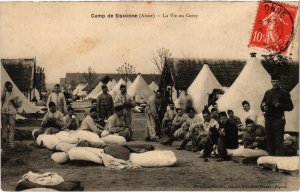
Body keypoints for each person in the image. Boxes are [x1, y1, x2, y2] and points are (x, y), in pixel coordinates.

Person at [261, 74, 293, 156]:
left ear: (280, 82)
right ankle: (270, 159)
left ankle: (279, 160)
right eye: (273, 81)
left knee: (278, 140)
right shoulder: (267, 92)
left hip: (278, 119)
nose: (275, 83)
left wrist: (279, 105)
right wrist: (263, 107)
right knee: (269, 139)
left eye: (276, 81)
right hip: (268, 118)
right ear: (271, 82)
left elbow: (290, 107)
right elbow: (262, 103)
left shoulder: (284, 93)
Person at [1, 81, 22, 148]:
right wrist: (4, 89)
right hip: (4, 112)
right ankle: (4, 142)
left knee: (11, 128)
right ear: (6, 87)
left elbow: (19, 104)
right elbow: (1, 98)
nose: (10, 88)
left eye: (11, 87)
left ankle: (11, 144)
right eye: (8, 87)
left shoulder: (15, 95)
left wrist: (14, 102)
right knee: (4, 128)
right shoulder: (4, 94)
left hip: (12, 113)